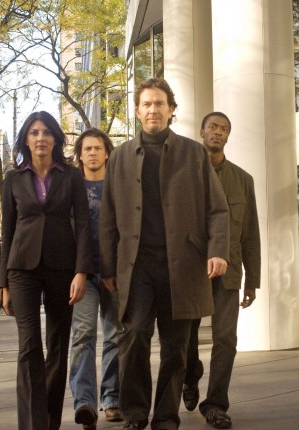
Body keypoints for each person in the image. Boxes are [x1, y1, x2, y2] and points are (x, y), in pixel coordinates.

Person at [99, 78, 230, 430]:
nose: (153, 109)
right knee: (134, 337)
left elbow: (217, 209)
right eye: (147, 104)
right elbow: (108, 216)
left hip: (182, 265)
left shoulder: (194, 153)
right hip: (136, 266)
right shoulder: (120, 156)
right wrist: (108, 267)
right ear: (137, 111)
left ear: (171, 110)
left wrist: (218, 251)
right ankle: (135, 413)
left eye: (160, 103)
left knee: (176, 347)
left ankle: (166, 417)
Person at [0, 111, 94, 430]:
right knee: (29, 345)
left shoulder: (72, 176)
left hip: (62, 266)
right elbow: (7, 231)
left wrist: (81, 271)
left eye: (46, 132)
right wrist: (3, 283)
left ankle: (51, 422)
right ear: (26, 139)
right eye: (34, 132)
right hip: (22, 268)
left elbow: (83, 224)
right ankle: (32, 424)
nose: (41, 138)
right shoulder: (12, 178)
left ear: (55, 138)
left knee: (57, 345)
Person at [182, 112, 261, 429]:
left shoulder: (243, 180)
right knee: (185, 338)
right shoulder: (184, 175)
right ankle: (190, 373)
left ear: (228, 136)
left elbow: (250, 233)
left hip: (229, 272)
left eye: (224, 129)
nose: (218, 132)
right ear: (201, 131)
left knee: (226, 339)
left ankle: (215, 404)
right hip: (190, 270)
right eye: (213, 127)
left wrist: (252, 280)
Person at [69, 128, 122, 430]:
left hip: (115, 272)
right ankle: (85, 403)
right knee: (83, 335)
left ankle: (112, 398)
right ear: (80, 154)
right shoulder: (71, 187)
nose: (92, 153)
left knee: (115, 336)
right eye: (87, 148)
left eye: (97, 148)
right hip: (83, 274)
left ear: (107, 153)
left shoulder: (118, 185)